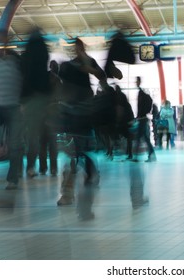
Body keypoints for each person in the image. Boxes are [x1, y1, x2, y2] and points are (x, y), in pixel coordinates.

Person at [57, 38, 105, 221]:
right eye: (76, 47)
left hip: (84, 115)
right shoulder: (68, 66)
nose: (78, 50)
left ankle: (77, 191)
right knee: (73, 156)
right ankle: (68, 193)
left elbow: (101, 76)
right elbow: (63, 84)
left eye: (80, 47)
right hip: (72, 115)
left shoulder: (89, 61)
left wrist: (89, 66)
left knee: (81, 154)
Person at [21, 29, 51, 178]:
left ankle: (31, 166)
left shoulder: (27, 55)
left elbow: (24, 77)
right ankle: (45, 166)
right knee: (45, 135)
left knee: (32, 135)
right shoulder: (43, 51)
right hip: (43, 98)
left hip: (30, 99)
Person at [0, 30, 25, 190]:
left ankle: (13, 178)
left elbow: (24, 82)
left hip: (14, 106)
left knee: (15, 143)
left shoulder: (16, 60)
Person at [38, 60, 60, 176]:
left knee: (42, 142)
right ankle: (53, 168)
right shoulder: (57, 80)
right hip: (53, 115)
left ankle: (43, 168)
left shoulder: (44, 78)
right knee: (52, 143)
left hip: (42, 113)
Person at [133, 76, 156, 162]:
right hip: (142, 118)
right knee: (143, 138)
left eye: (137, 81)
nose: (136, 83)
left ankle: (147, 155)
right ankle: (150, 154)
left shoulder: (141, 94)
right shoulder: (141, 93)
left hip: (142, 119)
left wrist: (139, 115)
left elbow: (141, 107)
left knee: (141, 138)